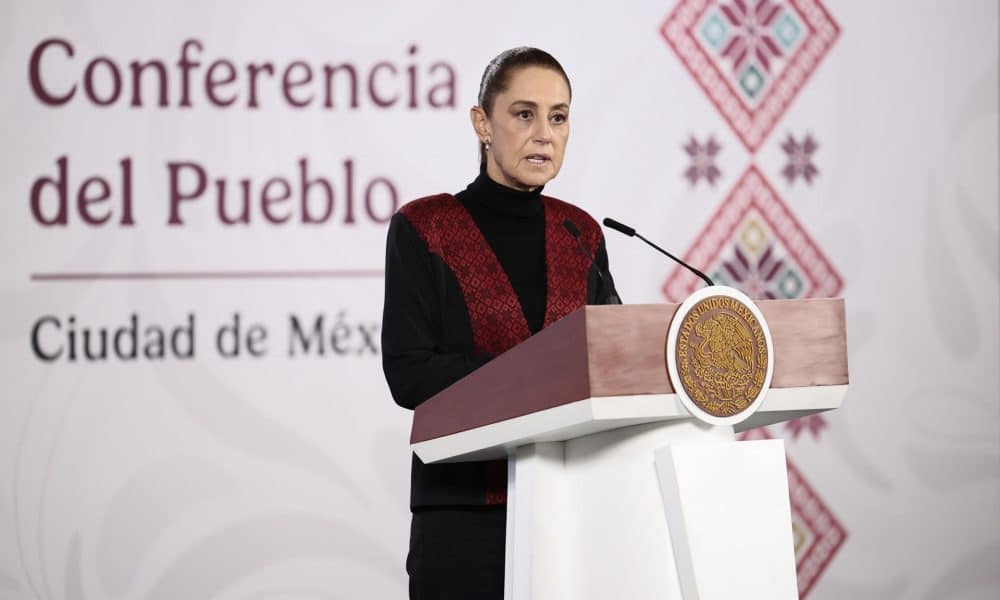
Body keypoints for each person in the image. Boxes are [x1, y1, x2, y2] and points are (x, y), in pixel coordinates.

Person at [381, 46, 619, 600]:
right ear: (482, 123)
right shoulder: (425, 227)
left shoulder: (580, 233)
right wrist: (534, 379)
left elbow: (610, 366)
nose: (544, 134)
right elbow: (408, 373)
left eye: (558, 117)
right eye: (524, 114)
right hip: (465, 517)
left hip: (574, 511)